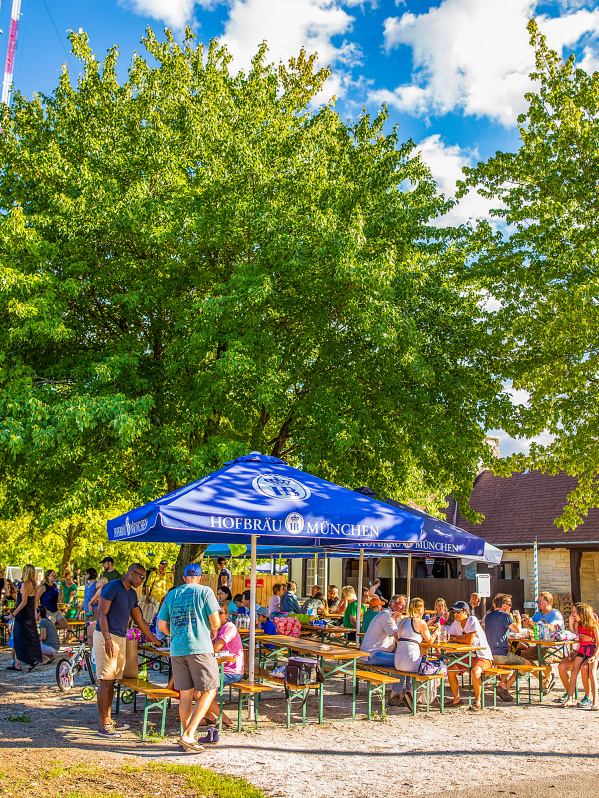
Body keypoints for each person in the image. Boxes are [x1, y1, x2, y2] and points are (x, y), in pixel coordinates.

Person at [157, 563, 220, 753]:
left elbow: (161, 625)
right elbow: (216, 621)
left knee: (185, 695)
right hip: (199, 647)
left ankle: (186, 739)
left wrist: (174, 635)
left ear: (184, 577)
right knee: (209, 691)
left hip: (177, 649)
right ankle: (189, 734)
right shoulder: (205, 592)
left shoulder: (172, 594)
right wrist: (211, 631)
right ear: (200, 578)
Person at [94, 563, 158, 738]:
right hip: (107, 636)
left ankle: (108, 719)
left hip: (121, 637)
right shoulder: (112, 586)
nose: (142, 581)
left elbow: (139, 619)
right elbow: (101, 613)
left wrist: (154, 640)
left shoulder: (131, 594)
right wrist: (107, 639)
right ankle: (103, 724)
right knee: (105, 680)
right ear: (131, 573)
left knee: (113, 680)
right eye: (141, 577)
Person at [199, 603, 245, 732]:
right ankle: (209, 716)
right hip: (219, 667)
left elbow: (216, 647)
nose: (216, 616)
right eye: (213, 613)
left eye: (219, 613)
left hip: (231, 669)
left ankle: (224, 719)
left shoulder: (229, 627)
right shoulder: (216, 628)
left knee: (202, 690)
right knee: (194, 685)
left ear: (226, 615)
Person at [445, 600, 494, 711]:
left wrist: (456, 638)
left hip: (482, 655)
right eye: (454, 612)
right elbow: (448, 636)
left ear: (466, 612)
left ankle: (477, 702)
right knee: (450, 671)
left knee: (474, 672)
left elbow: (468, 640)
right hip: (467, 656)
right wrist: (459, 638)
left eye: (458, 612)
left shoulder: (472, 620)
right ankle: (456, 699)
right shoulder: (456, 623)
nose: (456, 614)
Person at [360, 594, 407, 706]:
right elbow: (398, 638)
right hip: (372, 654)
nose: (403, 608)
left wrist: (402, 619)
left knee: (409, 658)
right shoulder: (386, 615)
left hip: (380, 652)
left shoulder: (394, 617)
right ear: (392, 604)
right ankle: (395, 697)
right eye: (401, 605)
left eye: (404, 606)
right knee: (403, 661)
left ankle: (407, 693)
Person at [395, 598, 439, 712]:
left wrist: (426, 626)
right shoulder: (421, 623)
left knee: (421, 667)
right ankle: (417, 697)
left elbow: (410, 634)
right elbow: (430, 641)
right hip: (410, 660)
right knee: (438, 668)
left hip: (398, 661)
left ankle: (413, 694)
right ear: (420, 610)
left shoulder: (403, 622)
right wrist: (436, 632)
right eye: (423, 608)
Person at [520, 591, 564, 692]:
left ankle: (547, 679)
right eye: (537, 602)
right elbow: (528, 626)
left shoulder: (555, 614)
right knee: (522, 659)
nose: (537, 604)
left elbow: (551, 627)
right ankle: (543, 679)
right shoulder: (538, 614)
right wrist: (526, 621)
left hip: (555, 646)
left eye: (540, 602)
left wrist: (534, 623)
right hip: (540, 646)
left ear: (548, 603)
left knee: (545, 660)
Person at [484, 593, 524, 701]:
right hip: (501, 655)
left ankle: (503, 683)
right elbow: (517, 630)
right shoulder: (504, 616)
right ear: (504, 606)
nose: (511, 607)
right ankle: (505, 686)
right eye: (510, 605)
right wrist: (518, 619)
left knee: (508, 663)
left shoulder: (488, 616)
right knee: (527, 664)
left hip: (489, 655)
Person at [561, 602, 599, 708]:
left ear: (582, 614)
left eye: (575, 613)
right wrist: (572, 621)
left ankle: (595, 702)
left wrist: (595, 656)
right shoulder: (579, 624)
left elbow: (598, 642)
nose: (573, 614)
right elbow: (575, 635)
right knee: (574, 671)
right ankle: (570, 698)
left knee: (590, 672)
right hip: (582, 650)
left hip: (592, 651)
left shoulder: (594, 625)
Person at [6, 564, 42, 672]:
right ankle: (18, 663)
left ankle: (31, 660)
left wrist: (13, 614)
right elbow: (35, 601)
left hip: (23, 615)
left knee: (19, 638)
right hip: (29, 614)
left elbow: (24, 602)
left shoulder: (25, 584)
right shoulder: (34, 584)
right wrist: (35, 613)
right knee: (27, 637)